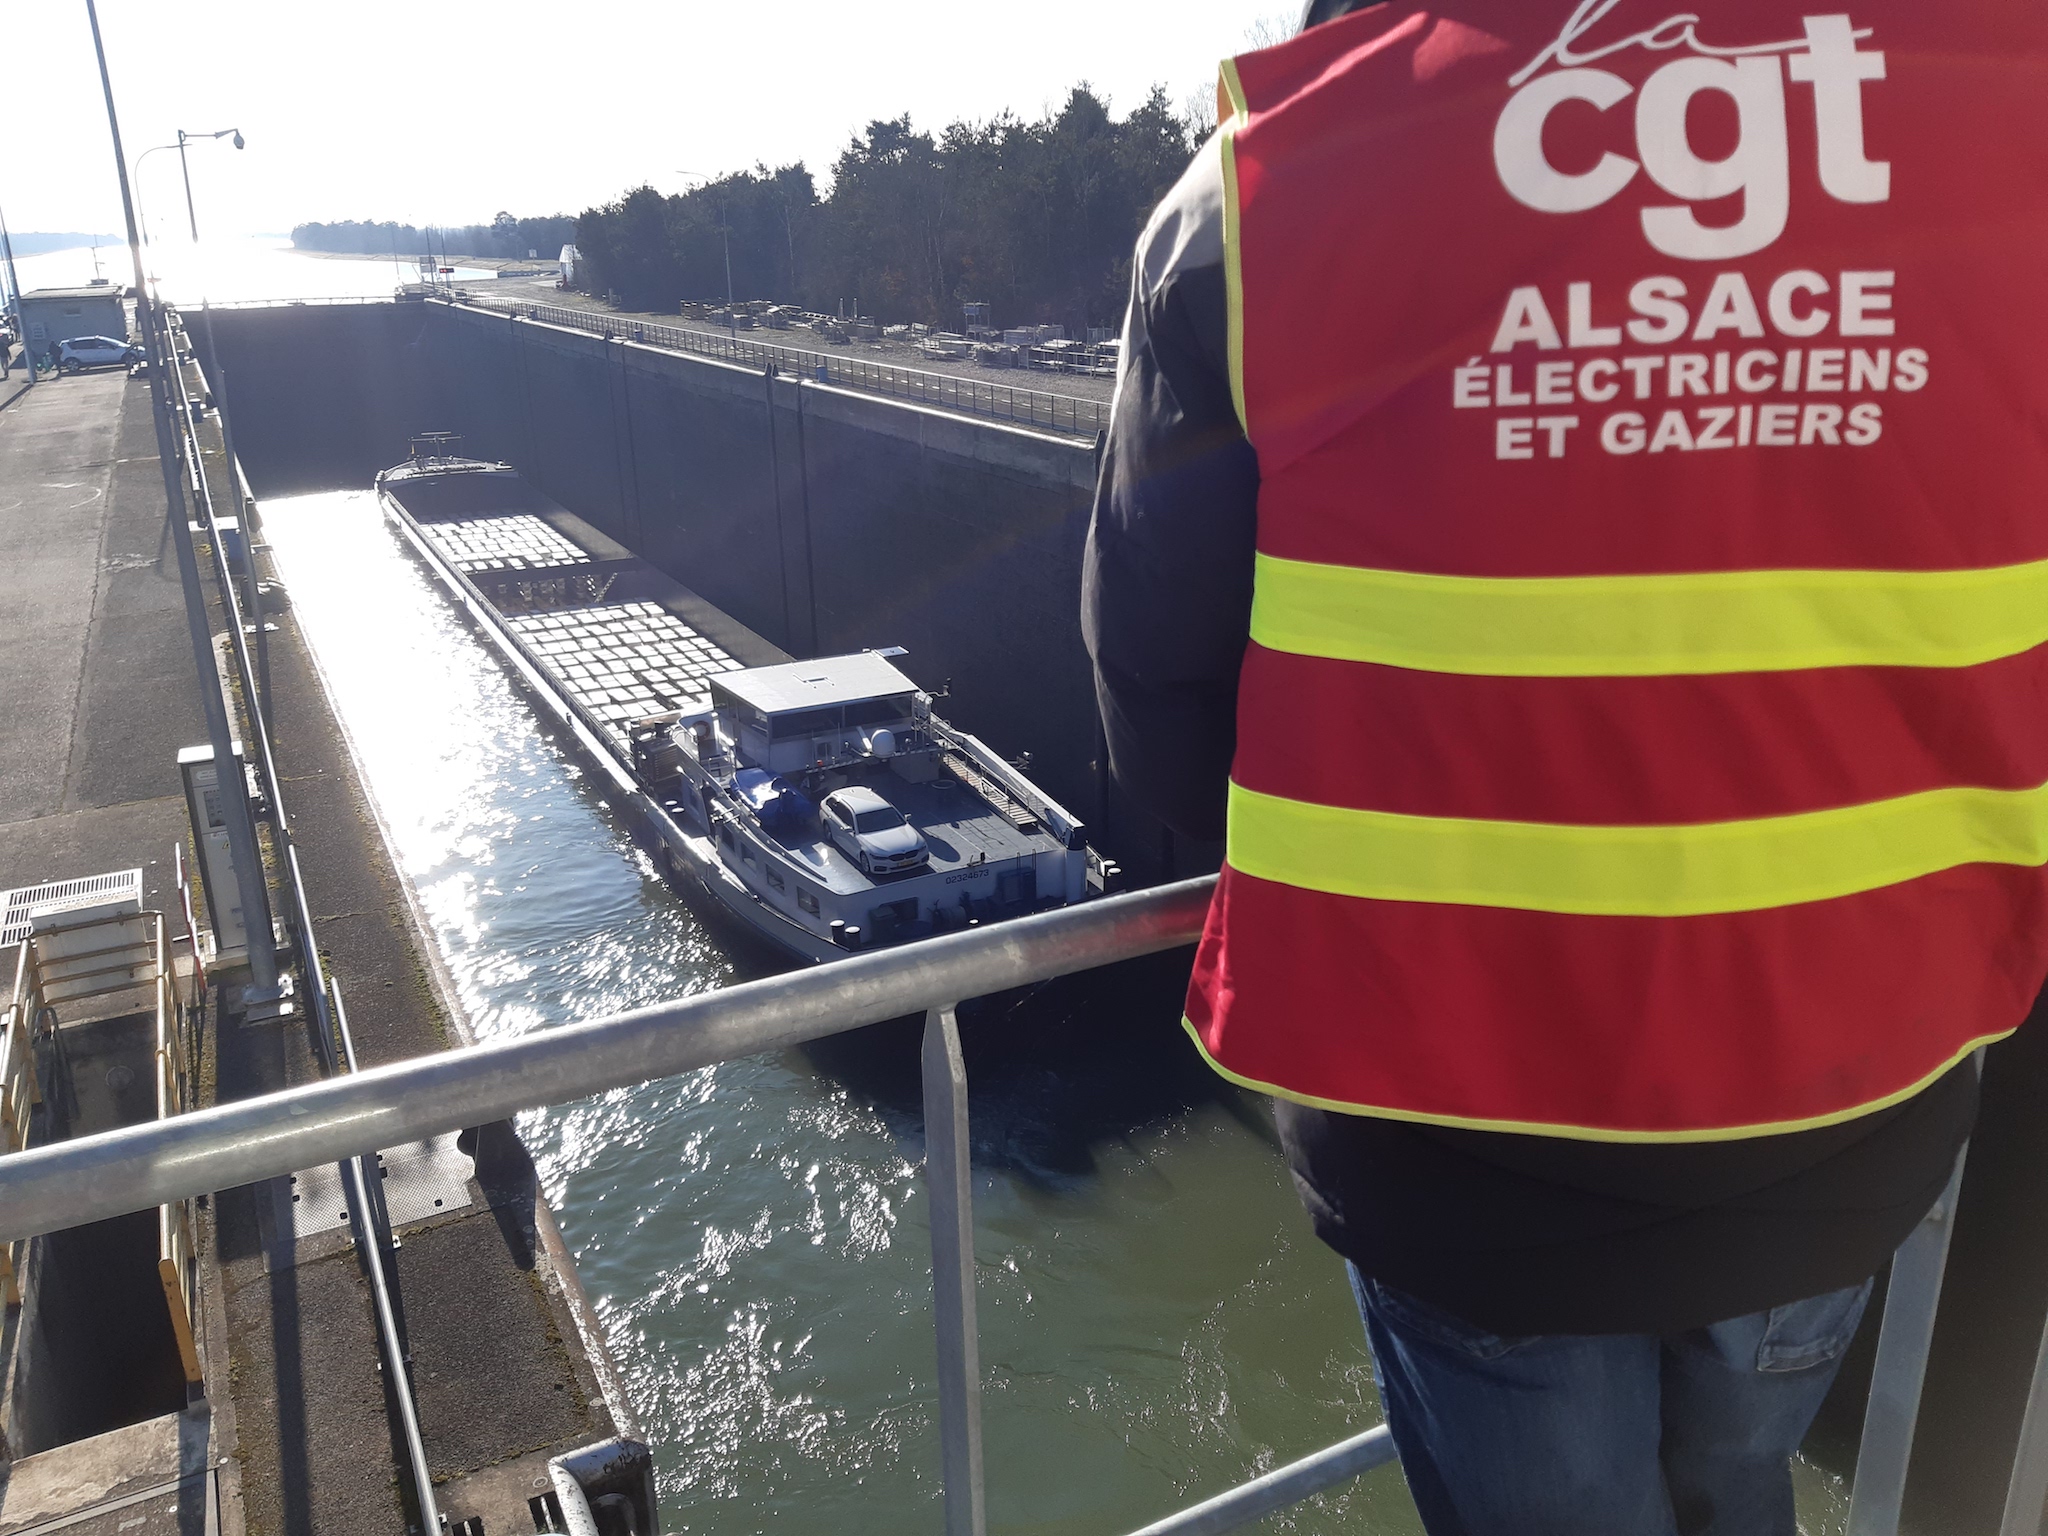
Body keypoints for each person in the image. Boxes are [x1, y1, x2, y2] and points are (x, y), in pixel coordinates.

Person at [1082, 2, 2048, 1531]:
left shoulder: (1265, 181)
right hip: (1862, 1080)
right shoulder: (2006, 102)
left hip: (1449, 1119)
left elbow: (1159, 665)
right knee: (1740, 1481)